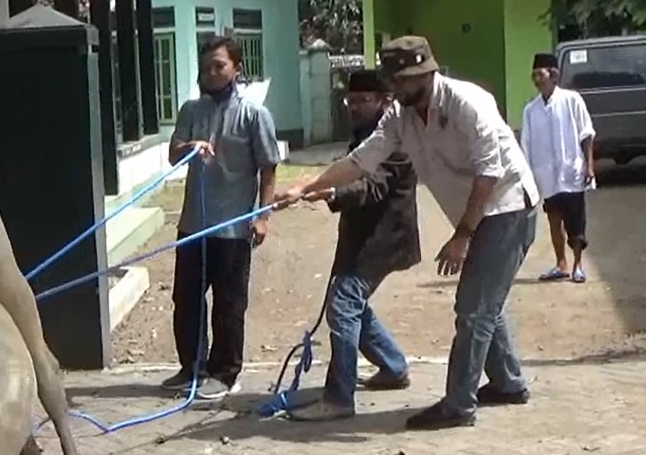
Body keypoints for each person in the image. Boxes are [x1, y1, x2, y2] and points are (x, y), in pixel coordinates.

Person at [276, 36, 541, 431]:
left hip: (508, 208)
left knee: (473, 309)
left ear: (426, 74)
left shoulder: (469, 104)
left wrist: (463, 235)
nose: (395, 89)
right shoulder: (400, 116)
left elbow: (490, 173)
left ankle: (458, 405)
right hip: (478, 214)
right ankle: (508, 384)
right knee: (487, 303)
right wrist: (305, 187)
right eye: (392, 80)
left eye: (401, 80)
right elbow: (359, 162)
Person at [289, 69, 420, 422]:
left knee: (344, 303)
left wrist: (332, 192)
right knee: (351, 304)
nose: (355, 107)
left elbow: (373, 186)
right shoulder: (363, 135)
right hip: (363, 238)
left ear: (384, 101)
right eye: (352, 100)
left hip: (386, 240)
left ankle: (339, 397)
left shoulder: (394, 139)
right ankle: (393, 367)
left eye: (365, 100)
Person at [160, 35, 281, 402]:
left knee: (229, 304)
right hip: (193, 223)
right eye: (206, 66)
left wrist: (262, 217)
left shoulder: (254, 114)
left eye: (219, 66)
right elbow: (172, 156)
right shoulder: (190, 111)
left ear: (236, 69)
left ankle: (226, 374)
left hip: (231, 226)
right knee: (187, 299)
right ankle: (192, 367)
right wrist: (189, 147)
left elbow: (269, 167)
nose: (212, 73)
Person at [520, 52, 596, 284]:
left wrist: (589, 165)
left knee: (575, 223)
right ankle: (561, 264)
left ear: (553, 75)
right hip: (547, 176)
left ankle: (578, 265)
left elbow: (587, 134)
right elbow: (526, 146)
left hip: (571, 171)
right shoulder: (530, 110)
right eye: (533, 75)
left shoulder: (572, 100)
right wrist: (528, 178)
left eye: (540, 74)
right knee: (553, 221)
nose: (536, 79)